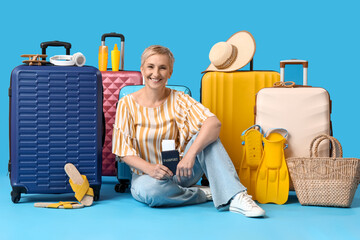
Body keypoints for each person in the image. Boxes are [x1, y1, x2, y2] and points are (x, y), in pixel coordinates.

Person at [112, 44, 265, 217]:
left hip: (182, 170)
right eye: (151, 67)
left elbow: (214, 123)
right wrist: (151, 169)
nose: (156, 73)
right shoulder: (127, 104)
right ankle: (203, 193)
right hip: (148, 177)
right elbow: (122, 151)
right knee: (151, 193)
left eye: (163, 68)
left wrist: (190, 155)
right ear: (142, 69)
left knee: (209, 137)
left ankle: (236, 197)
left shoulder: (179, 98)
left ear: (170, 73)